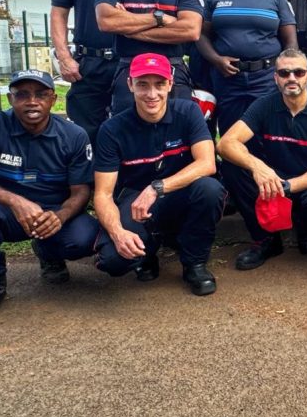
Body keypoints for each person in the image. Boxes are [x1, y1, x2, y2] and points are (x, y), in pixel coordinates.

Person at [0, 70, 99, 322]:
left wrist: (60, 216)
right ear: (10, 98)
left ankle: (49, 253)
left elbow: (81, 191)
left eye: (41, 94)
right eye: (22, 95)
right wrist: (15, 201)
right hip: (5, 211)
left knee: (85, 237)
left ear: (53, 100)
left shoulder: (74, 136)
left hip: (52, 211)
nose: (32, 101)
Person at [92, 54, 225, 296]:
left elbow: (207, 163)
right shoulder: (111, 130)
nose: (152, 94)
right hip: (134, 203)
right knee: (113, 260)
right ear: (130, 84)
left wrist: (156, 187)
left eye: (159, 84)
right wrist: (118, 233)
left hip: (176, 193)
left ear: (171, 84)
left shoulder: (188, 112)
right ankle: (147, 252)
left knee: (210, 188)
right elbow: (102, 194)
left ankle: (194, 263)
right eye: (143, 84)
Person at [218, 49, 307, 267]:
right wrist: (258, 167)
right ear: (275, 77)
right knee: (232, 168)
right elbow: (225, 143)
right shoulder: (264, 105)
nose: (292, 78)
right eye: (284, 73)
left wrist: (287, 187)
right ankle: (266, 240)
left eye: (298, 72)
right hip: (274, 178)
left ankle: (306, 227)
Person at [49, 0, 134, 145]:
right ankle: (88, 181)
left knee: (128, 127)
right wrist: (65, 58)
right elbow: (58, 15)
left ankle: (124, 182)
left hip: (124, 62)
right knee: (85, 133)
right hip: (87, 64)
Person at [197, 0, 297, 134]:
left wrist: (284, 71)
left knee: (268, 132)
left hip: (266, 78)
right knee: (230, 132)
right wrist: (216, 60)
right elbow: (201, 35)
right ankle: (232, 166)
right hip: (228, 80)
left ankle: (266, 165)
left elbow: (290, 41)